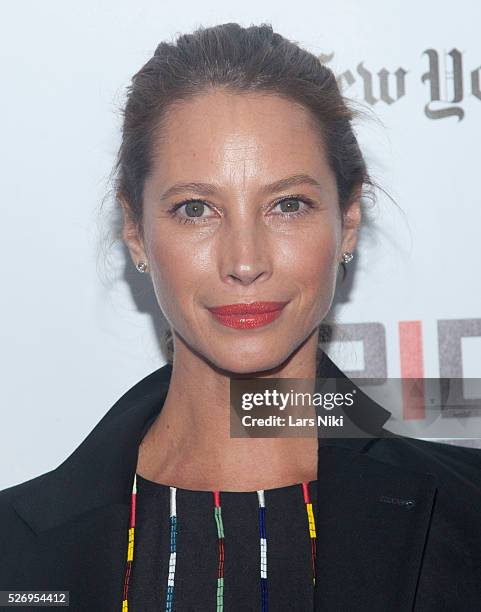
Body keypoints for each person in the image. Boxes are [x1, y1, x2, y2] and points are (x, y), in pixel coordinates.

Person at [1, 22, 480, 612]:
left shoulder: (468, 512)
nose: (245, 262)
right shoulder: (14, 553)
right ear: (136, 233)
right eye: (196, 209)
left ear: (347, 221)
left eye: (287, 204)